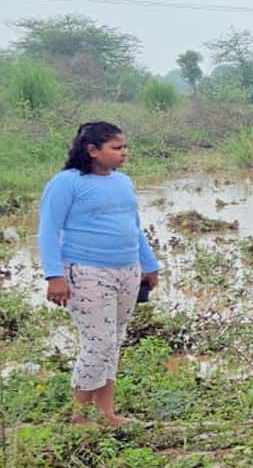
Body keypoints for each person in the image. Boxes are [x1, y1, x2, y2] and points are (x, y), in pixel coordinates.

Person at [37, 122, 161, 427]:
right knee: (98, 341)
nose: (124, 154)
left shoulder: (123, 182)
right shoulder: (68, 183)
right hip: (86, 270)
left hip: (127, 270)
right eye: (116, 148)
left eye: (124, 147)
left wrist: (149, 264)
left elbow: (133, 225)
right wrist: (54, 275)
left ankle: (106, 413)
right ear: (92, 151)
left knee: (114, 340)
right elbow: (48, 230)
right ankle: (79, 416)